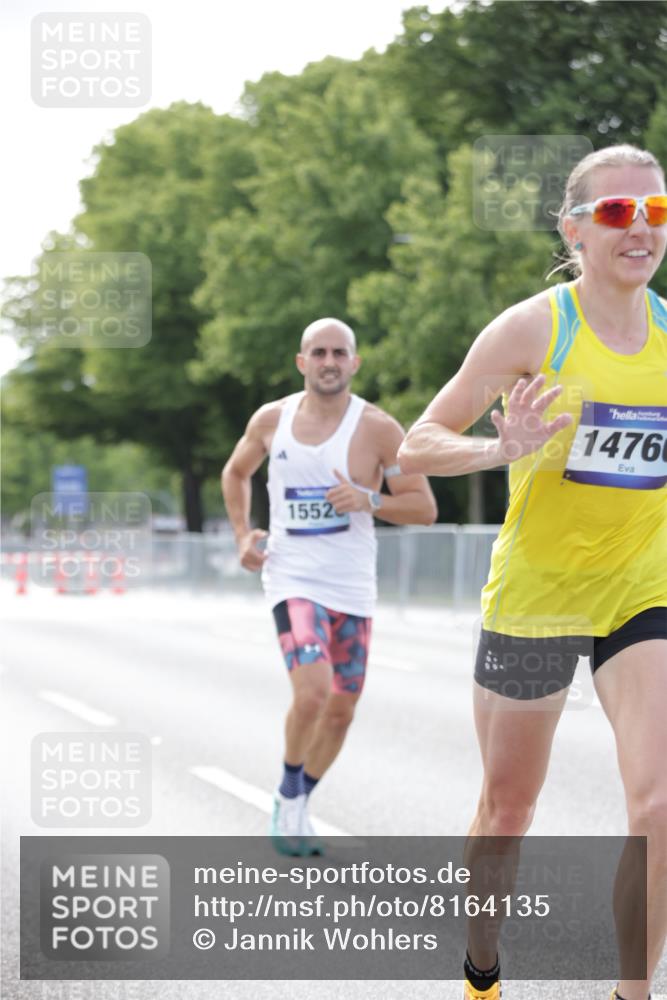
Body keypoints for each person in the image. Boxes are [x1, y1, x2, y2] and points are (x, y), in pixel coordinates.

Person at [398, 145, 667, 1000]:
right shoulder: (531, 329)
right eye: (618, 213)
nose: (640, 229)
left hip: (640, 590)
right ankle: (482, 967)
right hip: (536, 598)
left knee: (658, 811)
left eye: (655, 212)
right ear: (575, 228)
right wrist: (498, 446)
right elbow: (415, 443)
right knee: (507, 812)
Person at [222, 317, 436, 854]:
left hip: (352, 586)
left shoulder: (380, 429)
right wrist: (243, 534)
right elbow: (234, 473)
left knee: (341, 709)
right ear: (302, 362)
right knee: (313, 692)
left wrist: (373, 500)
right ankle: (291, 786)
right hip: (291, 576)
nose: (329, 361)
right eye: (318, 352)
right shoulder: (273, 420)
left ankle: (295, 799)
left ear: (354, 363)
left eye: (339, 352)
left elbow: (425, 507)